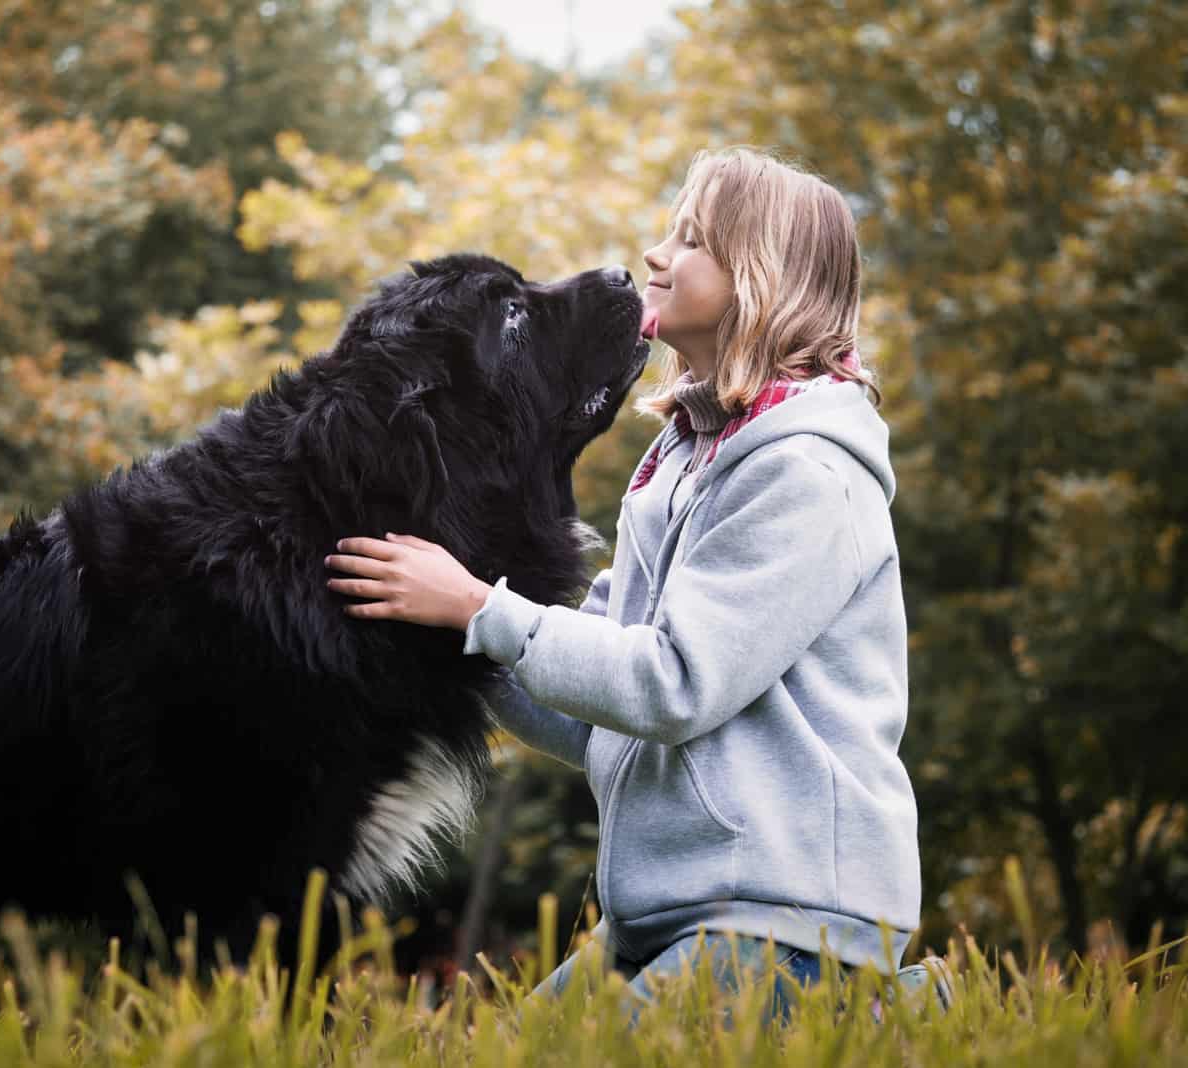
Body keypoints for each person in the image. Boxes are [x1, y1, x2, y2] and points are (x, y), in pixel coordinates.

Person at [324, 147, 946, 1022]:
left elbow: (672, 683)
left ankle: (883, 1012)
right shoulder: (684, 458)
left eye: (691, 239)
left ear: (762, 277)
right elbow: (592, 709)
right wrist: (450, 629)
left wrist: (479, 606)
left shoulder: (805, 475)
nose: (656, 255)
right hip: (659, 917)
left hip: (782, 924)